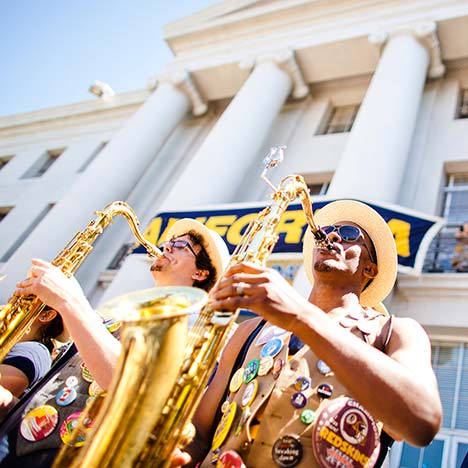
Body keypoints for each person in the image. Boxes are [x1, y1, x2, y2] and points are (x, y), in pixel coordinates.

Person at [172, 200, 442, 468]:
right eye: (327, 230)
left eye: (349, 235)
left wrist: (301, 316)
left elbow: (423, 420)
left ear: (369, 269)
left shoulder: (395, 331)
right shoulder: (249, 330)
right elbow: (199, 433)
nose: (331, 234)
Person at [0, 218, 230, 468]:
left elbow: (129, 385)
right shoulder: (121, 314)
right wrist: (14, 405)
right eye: (169, 242)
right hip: (20, 441)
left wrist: (69, 300)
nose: (166, 247)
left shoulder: (194, 325)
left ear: (200, 273)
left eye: (181, 245)